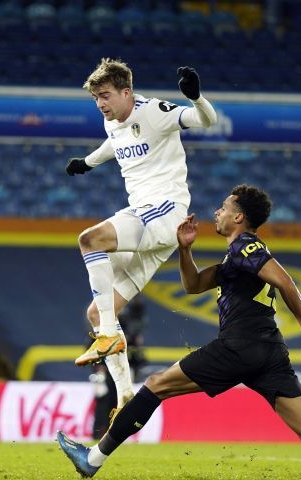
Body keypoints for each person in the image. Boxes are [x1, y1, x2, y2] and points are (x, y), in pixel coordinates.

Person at [57, 185, 301, 480]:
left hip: (240, 346)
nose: (217, 213)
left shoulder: (245, 246)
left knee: (155, 384)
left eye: (223, 208)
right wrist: (185, 249)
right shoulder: (233, 258)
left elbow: (285, 280)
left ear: (238, 216)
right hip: (268, 352)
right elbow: (192, 286)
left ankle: (92, 459)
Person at [66, 58, 217, 417]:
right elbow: (113, 144)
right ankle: (124, 399)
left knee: (90, 240)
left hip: (165, 211)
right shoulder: (112, 121)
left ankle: (108, 336)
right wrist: (88, 162)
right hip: (151, 230)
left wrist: (196, 98)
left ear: (126, 92)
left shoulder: (155, 113)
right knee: (97, 312)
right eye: (95, 99)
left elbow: (205, 121)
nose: (100, 104)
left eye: (104, 96)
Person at [91, 296, 148, 438]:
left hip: (122, 368)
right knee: (106, 400)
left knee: (118, 400)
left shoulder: (130, 331)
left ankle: (112, 432)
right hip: (109, 369)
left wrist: (137, 365)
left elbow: (136, 353)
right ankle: (100, 432)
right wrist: (99, 368)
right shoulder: (111, 328)